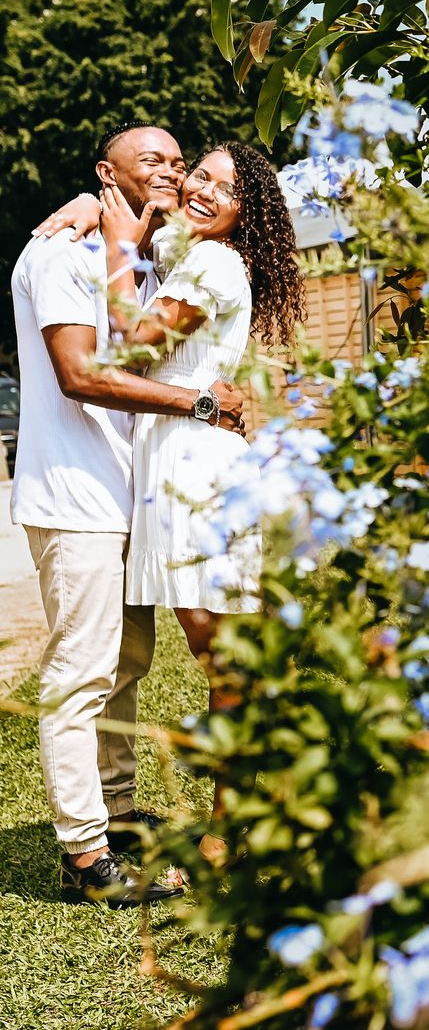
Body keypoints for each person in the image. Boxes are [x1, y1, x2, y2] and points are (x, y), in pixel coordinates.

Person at [12, 122, 249, 906]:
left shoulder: (148, 260)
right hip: (74, 495)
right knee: (82, 674)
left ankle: (113, 814)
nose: (174, 173)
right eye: (153, 159)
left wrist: (122, 229)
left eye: (179, 162)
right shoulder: (62, 252)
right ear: (105, 172)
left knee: (127, 665)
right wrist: (203, 402)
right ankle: (86, 856)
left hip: (126, 500)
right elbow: (83, 373)